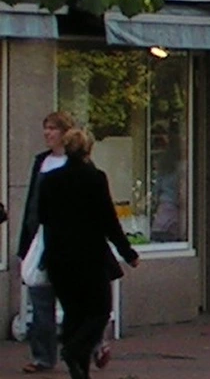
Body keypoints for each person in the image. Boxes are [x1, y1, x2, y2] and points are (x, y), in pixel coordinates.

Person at [35, 129, 138, 379]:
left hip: (59, 257)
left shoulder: (50, 180)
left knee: (74, 312)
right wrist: (127, 252)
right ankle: (74, 351)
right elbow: (108, 221)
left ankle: (79, 369)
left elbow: (42, 217)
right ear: (88, 150)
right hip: (89, 257)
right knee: (100, 310)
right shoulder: (95, 178)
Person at [17, 111, 73, 374]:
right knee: (40, 301)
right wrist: (25, 241)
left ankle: (91, 345)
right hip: (40, 241)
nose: (47, 133)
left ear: (65, 132)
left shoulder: (76, 163)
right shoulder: (41, 161)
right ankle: (43, 356)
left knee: (75, 303)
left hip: (67, 242)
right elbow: (32, 203)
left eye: (53, 129)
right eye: (46, 128)